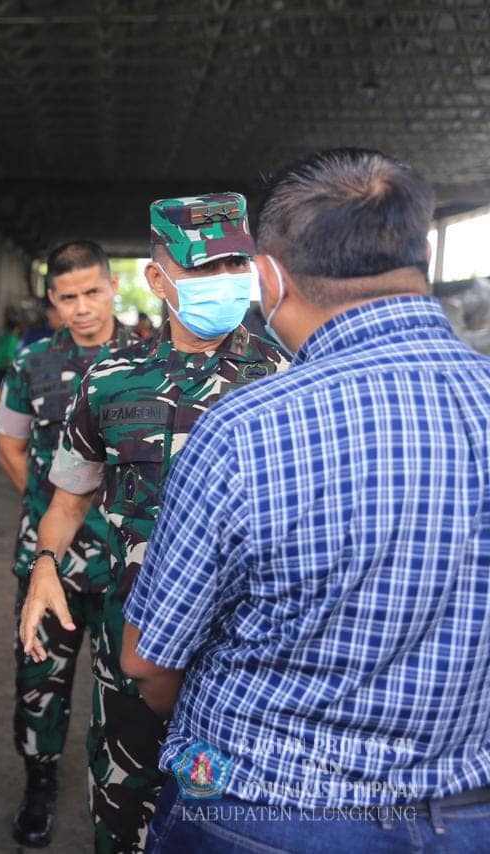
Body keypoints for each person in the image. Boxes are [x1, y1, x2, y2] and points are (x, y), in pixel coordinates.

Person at [121, 150, 490, 852]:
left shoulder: (245, 427)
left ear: (268, 275)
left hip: (260, 809)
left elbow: (149, 662)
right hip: (464, 811)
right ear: (426, 252)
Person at [20, 192, 288, 852]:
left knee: (224, 816)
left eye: (234, 265)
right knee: (122, 804)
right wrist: (44, 567)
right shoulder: (112, 379)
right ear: (157, 278)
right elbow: (67, 501)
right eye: (201, 270)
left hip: (241, 653)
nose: (222, 283)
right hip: (130, 640)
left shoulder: (287, 375)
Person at [0, 240, 132, 846]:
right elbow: (10, 445)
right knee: (40, 677)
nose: (82, 308)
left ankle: (121, 796)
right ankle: (39, 783)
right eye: (68, 297)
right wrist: (58, 510)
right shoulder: (32, 364)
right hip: (50, 560)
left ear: (113, 288)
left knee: (128, 685)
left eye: (92, 292)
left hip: (132, 560)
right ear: (53, 299)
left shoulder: (151, 358)